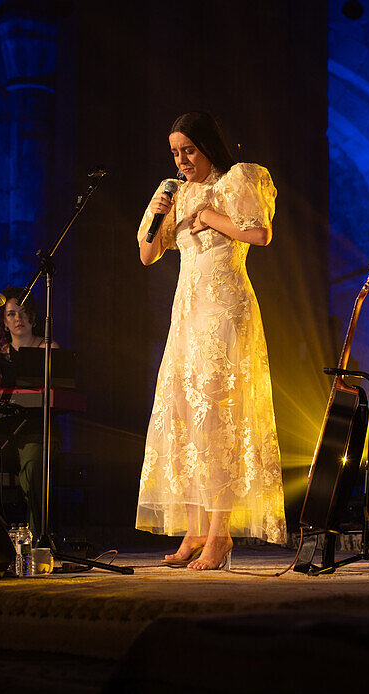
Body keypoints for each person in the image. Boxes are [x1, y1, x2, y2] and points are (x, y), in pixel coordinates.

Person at [135, 111, 286, 570]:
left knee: (219, 414)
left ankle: (221, 536)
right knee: (184, 414)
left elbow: (259, 233)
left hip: (225, 310)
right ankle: (195, 529)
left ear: (207, 147)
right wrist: (164, 213)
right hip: (187, 311)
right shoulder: (173, 192)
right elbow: (147, 254)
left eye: (189, 151)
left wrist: (210, 215)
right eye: (175, 153)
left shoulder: (239, 178)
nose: (182, 160)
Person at [0, 286, 61, 536]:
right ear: (5, 322)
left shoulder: (48, 348)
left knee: (33, 466)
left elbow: (57, 392)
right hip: (5, 428)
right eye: (11, 314)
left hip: (36, 428)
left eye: (23, 312)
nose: (18, 318)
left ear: (33, 317)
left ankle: (38, 538)